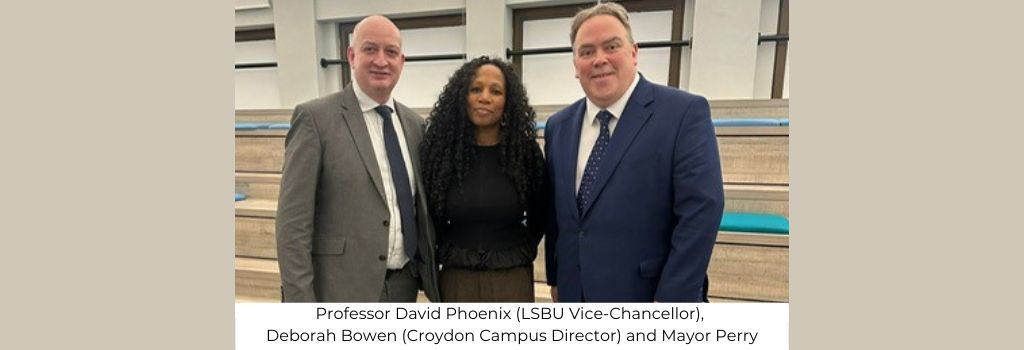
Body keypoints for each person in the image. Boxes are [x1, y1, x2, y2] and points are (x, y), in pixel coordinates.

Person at [543, 2, 724, 302]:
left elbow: (701, 213)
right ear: (576, 65)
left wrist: (670, 304)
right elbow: (558, 215)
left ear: (634, 52)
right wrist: (557, 277)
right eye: (586, 52)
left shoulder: (684, 113)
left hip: (649, 297)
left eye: (611, 46)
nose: (599, 59)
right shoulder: (558, 126)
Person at [275, 15, 440, 302]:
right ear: (351, 55)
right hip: (339, 290)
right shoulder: (315, 119)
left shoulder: (415, 126)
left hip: (404, 286)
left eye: (390, 52)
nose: (381, 61)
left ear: (402, 61)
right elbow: (293, 225)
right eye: (370, 49)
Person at [420, 57, 547, 302]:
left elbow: (540, 216)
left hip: (512, 279)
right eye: (475, 89)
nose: (484, 97)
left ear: (507, 101)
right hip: (456, 279)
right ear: (461, 96)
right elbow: (430, 218)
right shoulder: (441, 154)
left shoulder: (525, 153)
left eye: (496, 91)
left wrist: (515, 251)